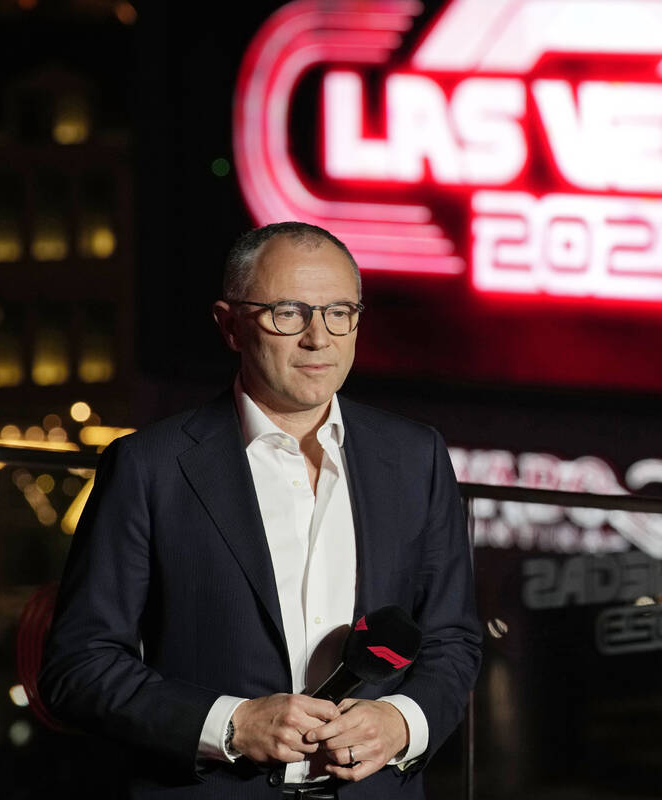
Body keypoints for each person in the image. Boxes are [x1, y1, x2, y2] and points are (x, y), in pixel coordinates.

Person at [40, 222, 482, 799]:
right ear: (229, 324)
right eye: (288, 313)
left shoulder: (415, 455)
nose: (318, 338)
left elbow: (452, 639)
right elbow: (79, 665)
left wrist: (403, 722)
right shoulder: (150, 466)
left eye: (339, 312)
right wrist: (231, 724)